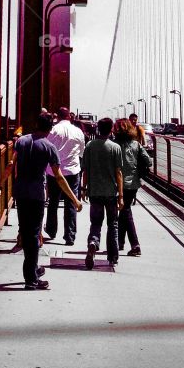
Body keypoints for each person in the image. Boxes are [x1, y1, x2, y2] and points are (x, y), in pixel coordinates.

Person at [13, 110, 82, 290]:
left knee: (26, 232)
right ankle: (31, 279)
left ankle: (33, 270)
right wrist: (74, 199)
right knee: (34, 236)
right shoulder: (49, 147)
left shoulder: (21, 141)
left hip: (20, 193)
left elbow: (11, 164)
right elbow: (59, 177)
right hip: (36, 195)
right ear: (50, 128)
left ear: (36, 124)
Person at [81, 116, 124, 271]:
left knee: (96, 223)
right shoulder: (115, 148)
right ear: (111, 129)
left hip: (94, 191)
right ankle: (112, 257)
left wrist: (84, 188)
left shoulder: (90, 146)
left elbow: (85, 170)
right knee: (112, 224)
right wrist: (121, 195)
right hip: (111, 192)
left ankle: (93, 243)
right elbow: (118, 173)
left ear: (98, 129)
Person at [45, 107, 86, 244]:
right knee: (71, 203)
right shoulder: (78, 131)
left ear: (58, 117)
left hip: (54, 171)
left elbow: (47, 148)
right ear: (69, 116)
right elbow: (81, 152)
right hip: (72, 171)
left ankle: (51, 230)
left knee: (53, 202)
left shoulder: (53, 130)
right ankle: (70, 235)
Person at [114, 117, 152, 256]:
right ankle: (120, 243)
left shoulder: (113, 144)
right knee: (124, 211)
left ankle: (135, 244)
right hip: (133, 184)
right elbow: (148, 161)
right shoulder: (136, 145)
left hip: (117, 184)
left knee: (125, 212)